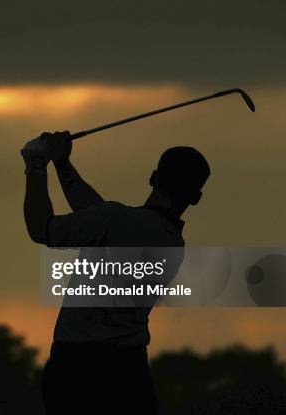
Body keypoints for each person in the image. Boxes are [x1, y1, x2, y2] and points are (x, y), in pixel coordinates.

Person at [21, 131, 210, 414]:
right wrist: (62, 164)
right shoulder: (173, 243)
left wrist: (36, 167)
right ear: (195, 198)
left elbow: (40, 228)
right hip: (128, 373)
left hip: (75, 368)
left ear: (153, 178)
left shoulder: (114, 221)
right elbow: (95, 214)